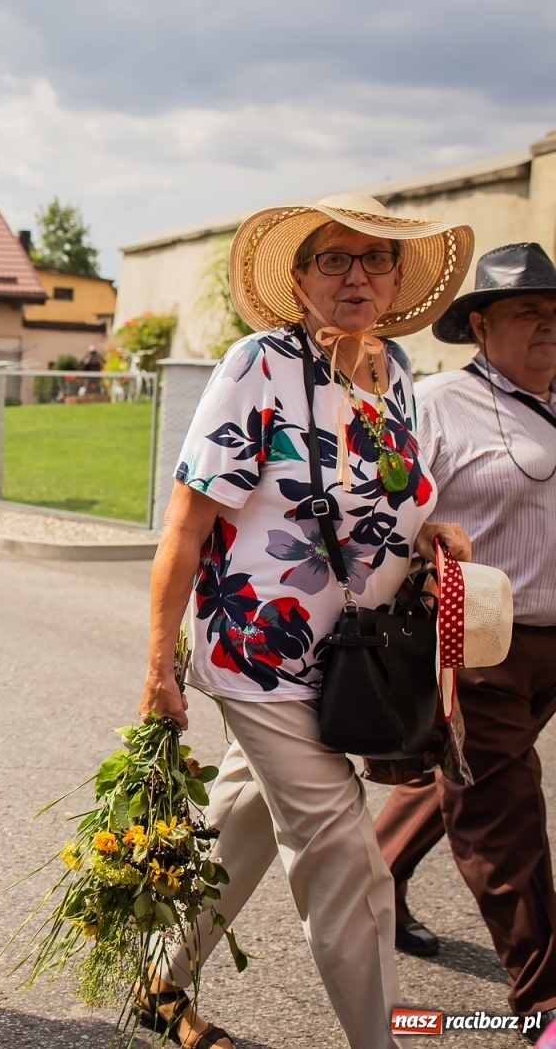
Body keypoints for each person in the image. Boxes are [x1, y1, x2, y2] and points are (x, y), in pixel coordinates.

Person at [137, 195, 473, 1049]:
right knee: (343, 850)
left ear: (397, 278)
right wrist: (157, 665)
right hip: (260, 651)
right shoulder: (260, 365)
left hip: (352, 657)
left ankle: (159, 985)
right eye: (334, 259)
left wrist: (428, 533)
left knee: (242, 819)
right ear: (299, 278)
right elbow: (186, 522)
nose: (357, 276)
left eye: (375, 258)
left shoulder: (396, 372)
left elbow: (385, 496)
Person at [372, 242, 556, 1035]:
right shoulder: (440, 403)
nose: (548, 325)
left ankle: (373, 878)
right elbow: (389, 513)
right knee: (504, 813)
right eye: (529, 312)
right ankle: (543, 999)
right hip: (476, 648)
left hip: (550, 643)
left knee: (456, 776)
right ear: (481, 326)